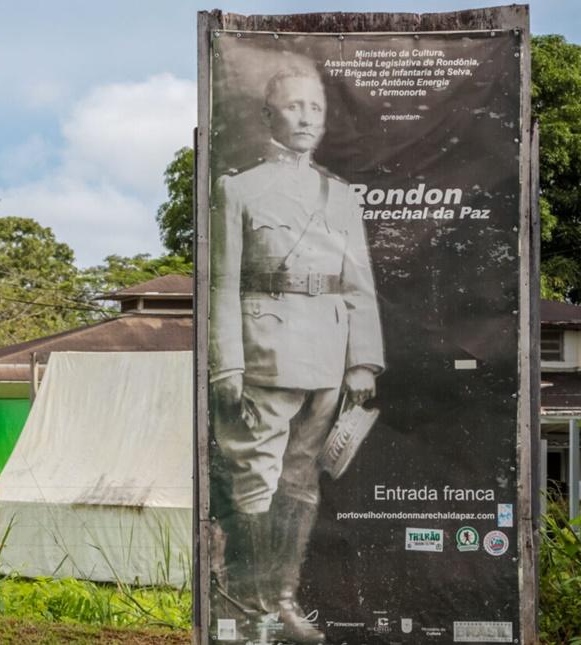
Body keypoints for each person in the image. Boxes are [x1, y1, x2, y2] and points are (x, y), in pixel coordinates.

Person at [210, 64, 384, 643]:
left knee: (303, 478)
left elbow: (357, 283)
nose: (307, 118)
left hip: (328, 353)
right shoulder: (240, 189)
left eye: (315, 108)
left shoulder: (339, 194)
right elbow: (223, 284)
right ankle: (254, 605)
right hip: (265, 351)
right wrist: (227, 361)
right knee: (257, 477)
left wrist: (362, 360)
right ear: (268, 115)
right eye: (293, 107)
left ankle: (282, 601)